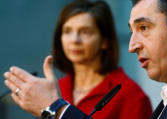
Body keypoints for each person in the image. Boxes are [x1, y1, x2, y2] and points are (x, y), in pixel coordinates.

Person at [3, 0, 152, 119]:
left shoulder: (131, 96)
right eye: (67, 31)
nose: (74, 40)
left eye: (85, 32)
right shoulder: (55, 87)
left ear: (105, 40)